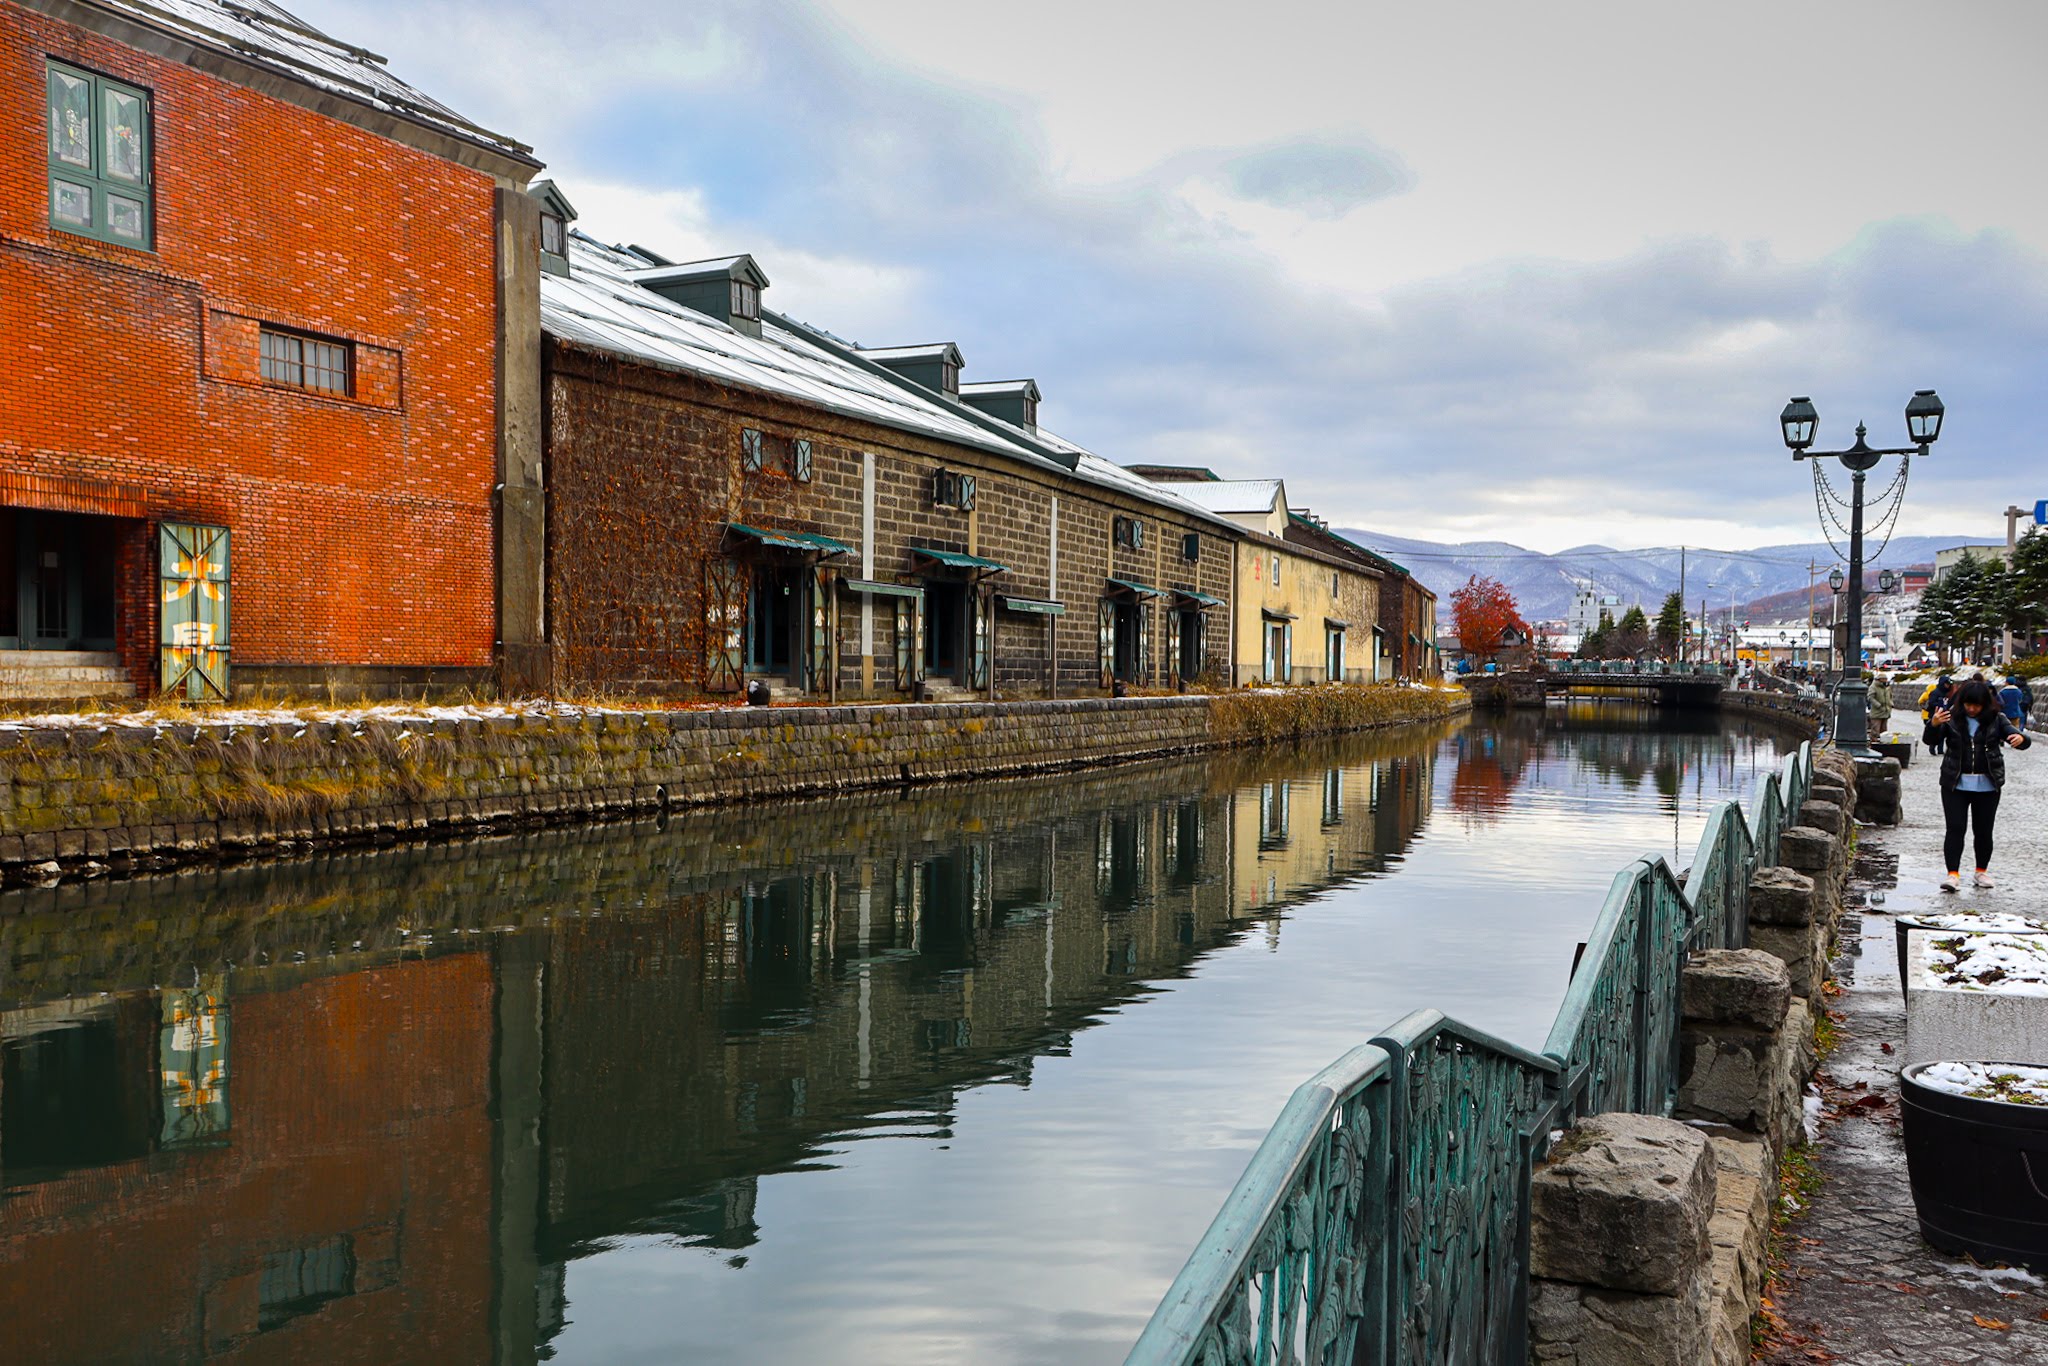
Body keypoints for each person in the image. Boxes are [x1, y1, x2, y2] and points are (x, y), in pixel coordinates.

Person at [1925, 676, 2032, 892]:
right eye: (1968, 704)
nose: (1972, 709)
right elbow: (1931, 740)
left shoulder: (1996, 719)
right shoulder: (1951, 718)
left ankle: (1981, 871)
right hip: (1955, 783)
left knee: (1983, 830)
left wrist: (2021, 739)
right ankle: (1952, 874)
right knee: (1955, 828)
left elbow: (2018, 737)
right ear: (1962, 702)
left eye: (1977, 705)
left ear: (1985, 704)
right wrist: (1933, 724)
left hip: (1988, 784)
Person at [1920, 673, 1955, 755]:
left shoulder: (1947, 693)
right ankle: (1932, 748)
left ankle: (1940, 749)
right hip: (1934, 715)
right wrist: (1939, 705)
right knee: (1935, 731)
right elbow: (1931, 703)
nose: (1948, 686)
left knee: (1943, 731)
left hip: (1944, 714)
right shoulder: (1935, 692)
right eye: (1946, 684)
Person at [1868, 672, 1893, 740]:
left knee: (1884, 731)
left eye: (1886, 679)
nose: (1885, 680)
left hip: (1886, 711)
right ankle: (1874, 743)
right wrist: (1878, 705)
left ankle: (1883, 743)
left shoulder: (1887, 687)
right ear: (1880, 679)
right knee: (1875, 730)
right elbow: (1870, 697)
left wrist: (1891, 703)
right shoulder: (1873, 687)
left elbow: (1890, 696)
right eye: (1884, 679)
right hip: (1877, 712)